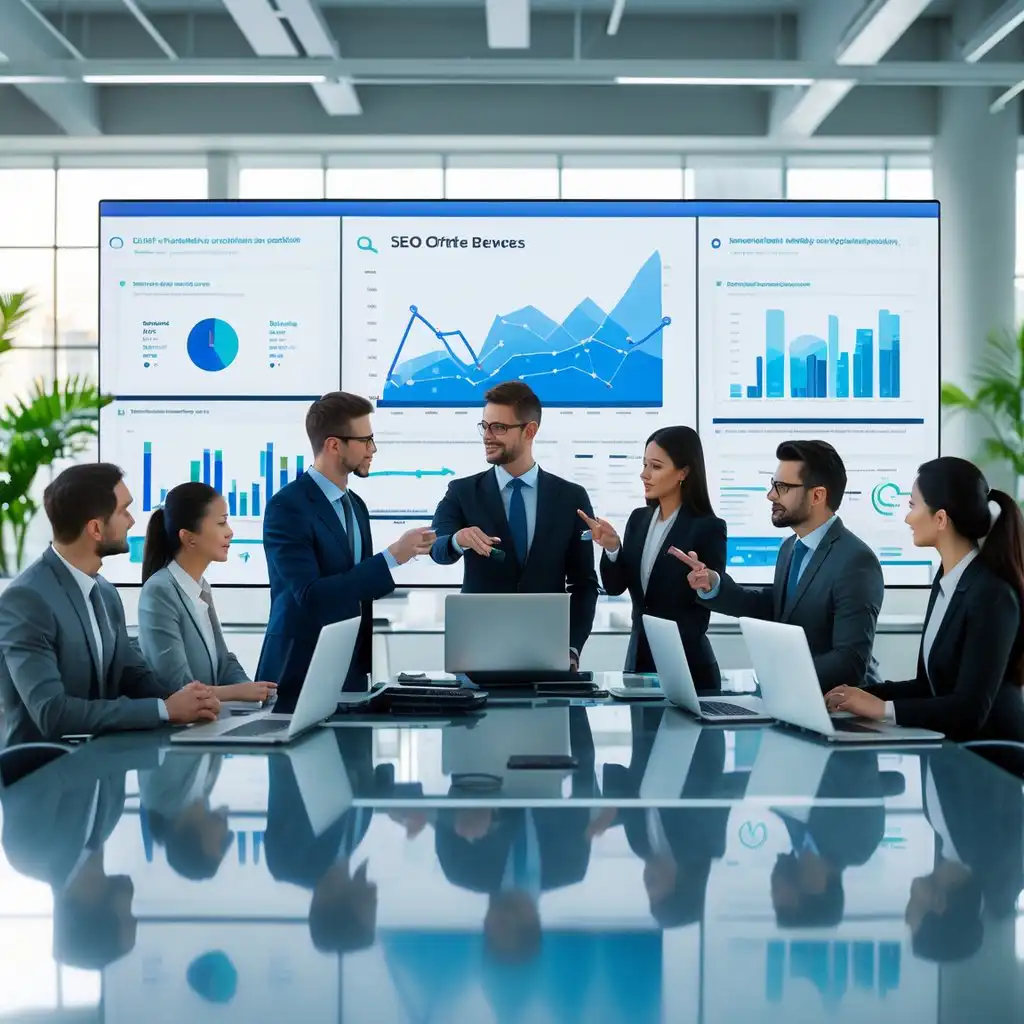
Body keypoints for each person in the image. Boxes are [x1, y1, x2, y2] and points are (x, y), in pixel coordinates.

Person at [0, 463, 220, 746]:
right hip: (44, 775)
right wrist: (164, 710)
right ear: (95, 528)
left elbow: (130, 673)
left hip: (103, 766)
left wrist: (189, 698)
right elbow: (52, 713)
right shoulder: (26, 600)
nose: (131, 521)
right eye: (123, 511)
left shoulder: (104, 592)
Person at [825, 457, 1024, 743]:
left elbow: (970, 710)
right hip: (951, 749)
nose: (907, 518)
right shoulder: (946, 581)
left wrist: (883, 709)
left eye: (913, 506)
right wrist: (861, 693)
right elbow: (928, 686)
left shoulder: (992, 595)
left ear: (940, 518)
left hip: (989, 756)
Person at [256, 392, 436, 703]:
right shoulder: (288, 507)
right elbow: (311, 596)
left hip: (351, 672)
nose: (373, 449)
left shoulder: (356, 506)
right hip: (297, 672)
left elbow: (356, 587)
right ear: (334, 445)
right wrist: (392, 557)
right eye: (365, 440)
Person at [675, 440, 883, 692]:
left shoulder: (856, 561)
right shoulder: (790, 548)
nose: (771, 495)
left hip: (838, 711)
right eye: (773, 485)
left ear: (817, 495)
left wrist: (780, 675)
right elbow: (775, 606)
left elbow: (850, 661)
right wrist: (714, 584)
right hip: (794, 701)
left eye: (782, 487)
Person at [430, 381, 599, 667]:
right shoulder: (462, 492)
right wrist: (459, 539)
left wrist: (572, 648)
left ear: (529, 431)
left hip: (548, 654)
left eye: (498, 427)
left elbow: (584, 583)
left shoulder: (571, 497)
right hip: (477, 653)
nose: (487, 436)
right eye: (484, 426)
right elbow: (437, 546)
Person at [580, 425, 726, 689]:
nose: (644, 474)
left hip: (689, 668)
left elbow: (710, 598)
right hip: (639, 664)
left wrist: (707, 582)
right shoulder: (638, 520)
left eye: (655, 467)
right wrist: (612, 549)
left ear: (683, 472)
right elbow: (614, 588)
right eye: (644, 464)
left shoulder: (708, 527)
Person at [138, 482, 276, 703]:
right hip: (179, 730)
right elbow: (177, 688)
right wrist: (238, 693)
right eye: (221, 523)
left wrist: (256, 691)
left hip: (209, 719)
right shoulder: (159, 590)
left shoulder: (200, 587)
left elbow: (224, 662)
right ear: (189, 537)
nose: (230, 532)